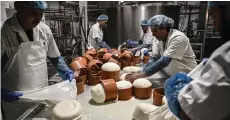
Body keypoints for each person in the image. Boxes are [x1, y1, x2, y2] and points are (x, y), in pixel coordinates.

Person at [164, 2, 230, 120]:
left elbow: (192, 112)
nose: (214, 24)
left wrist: (177, 98)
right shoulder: (161, 37)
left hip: (187, 72)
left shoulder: (178, 37)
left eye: (214, 16)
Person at [1, 1, 74, 102]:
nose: (38, 18)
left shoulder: (44, 30)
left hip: (42, 92)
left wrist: (66, 71)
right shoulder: (4, 32)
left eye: (41, 13)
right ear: (19, 9)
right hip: (15, 98)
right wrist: (2, 92)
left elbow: (54, 57)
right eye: (32, 13)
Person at [125, 15, 197, 82]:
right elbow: (155, 58)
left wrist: (142, 74)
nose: (153, 34)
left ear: (165, 28)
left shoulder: (178, 38)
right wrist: (143, 70)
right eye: (152, 31)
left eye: (155, 31)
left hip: (188, 77)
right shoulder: (159, 40)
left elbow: (165, 61)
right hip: (172, 75)